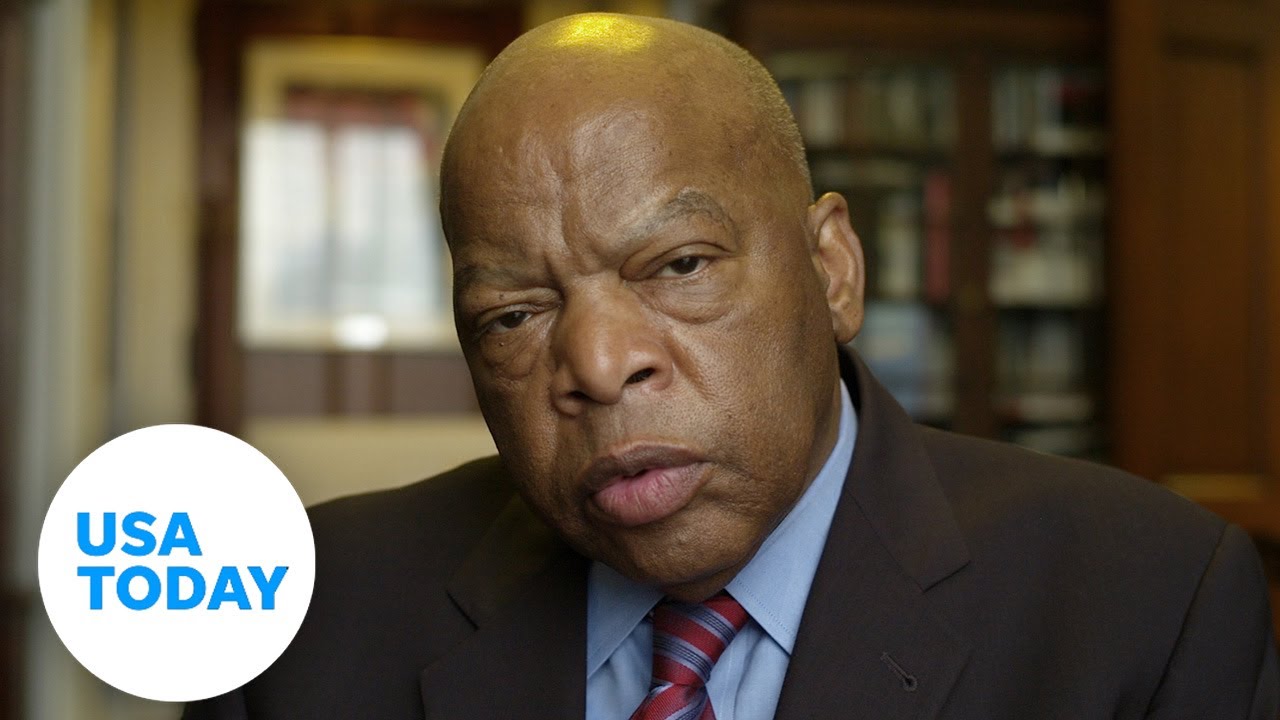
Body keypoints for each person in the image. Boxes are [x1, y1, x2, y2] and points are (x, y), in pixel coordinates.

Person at [185, 13, 1278, 720]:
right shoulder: (293, 617)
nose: (598, 365)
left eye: (679, 265)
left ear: (832, 269)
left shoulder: (1150, 606)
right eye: (513, 315)